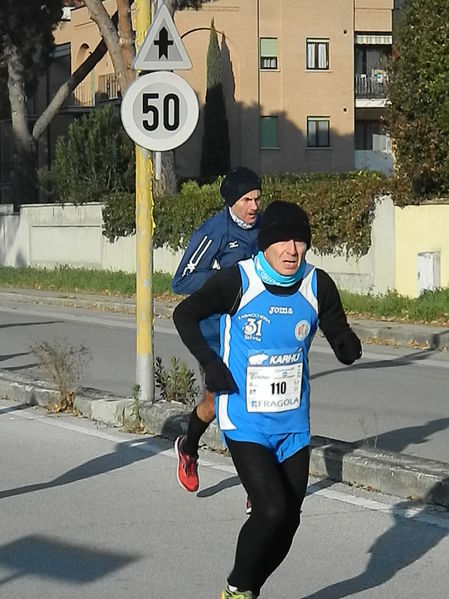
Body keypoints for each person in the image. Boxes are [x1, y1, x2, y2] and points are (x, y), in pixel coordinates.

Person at [173, 200, 362, 599]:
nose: (292, 250)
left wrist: (346, 344)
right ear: (265, 244)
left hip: (293, 425)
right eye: (283, 241)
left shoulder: (317, 283)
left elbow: (337, 328)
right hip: (246, 419)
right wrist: (210, 362)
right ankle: (237, 589)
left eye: (300, 241)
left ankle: (246, 590)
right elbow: (184, 315)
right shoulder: (238, 281)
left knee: (289, 520)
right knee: (271, 510)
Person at [172, 167, 262, 493]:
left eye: (256, 198)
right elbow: (180, 281)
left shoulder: (263, 227)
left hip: (252, 329)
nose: (253, 206)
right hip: (214, 331)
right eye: (246, 200)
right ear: (231, 202)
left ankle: (256, 489)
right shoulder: (214, 232)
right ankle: (188, 447)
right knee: (216, 402)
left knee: (252, 402)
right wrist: (225, 279)